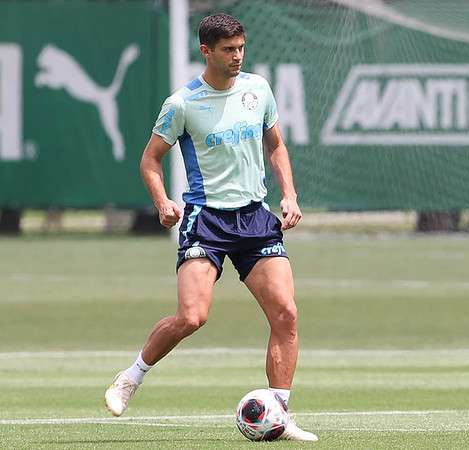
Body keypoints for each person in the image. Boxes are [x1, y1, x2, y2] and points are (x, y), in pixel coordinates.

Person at [104, 13, 318, 441]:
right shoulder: (182, 104)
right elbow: (150, 160)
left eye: (241, 48)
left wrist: (289, 195)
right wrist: (163, 201)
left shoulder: (258, 89)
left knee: (286, 313)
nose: (237, 56)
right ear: (206, 51)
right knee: (192, 316)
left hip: (255, 216)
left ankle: (278, 410)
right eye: (228, 50)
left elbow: (275, 145)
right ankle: (131, 376)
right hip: (206, 220)